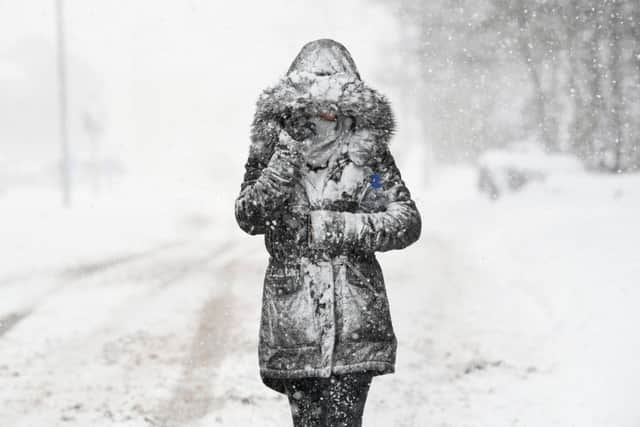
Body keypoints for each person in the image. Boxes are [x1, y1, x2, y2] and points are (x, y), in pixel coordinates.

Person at [234, 38, 422, 426]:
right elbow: (249, 216)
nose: (323, 114)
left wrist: (336, 227)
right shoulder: (272, 151)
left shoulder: (367, 155)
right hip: (294, 322)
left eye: (332, 104)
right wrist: (284, 159)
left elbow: (405, 221)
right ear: (294, 103)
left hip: (356, 320)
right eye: (311, 103)